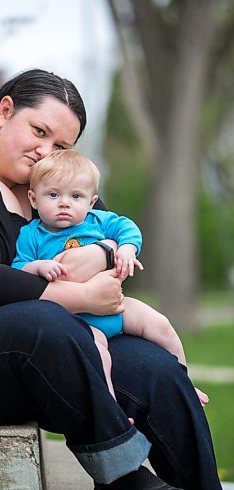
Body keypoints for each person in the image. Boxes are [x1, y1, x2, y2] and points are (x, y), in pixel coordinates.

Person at [0, 68, 224, 490]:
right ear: (5, 109)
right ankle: (122, 480)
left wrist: (105, 255)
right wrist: (80, 295)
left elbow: (104, 234)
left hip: (46, 351)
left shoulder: (51, 183)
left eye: (61, 146)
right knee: (42, 319)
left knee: (156, 371)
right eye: (39, 131)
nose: (45, 151)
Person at [12, 149, 209, 408]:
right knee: (98, 356)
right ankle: (111, 410)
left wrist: (127, 247)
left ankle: (184, 382)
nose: (64, 203)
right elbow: (17, 270)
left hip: (117, 307)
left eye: (76, 196)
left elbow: (127, 228)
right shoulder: (32, 235)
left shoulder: (98, 220)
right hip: (80, 320)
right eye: (53, 194)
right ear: (33, 199)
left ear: (91, 202)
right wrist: (38, 266)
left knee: (160, 324)